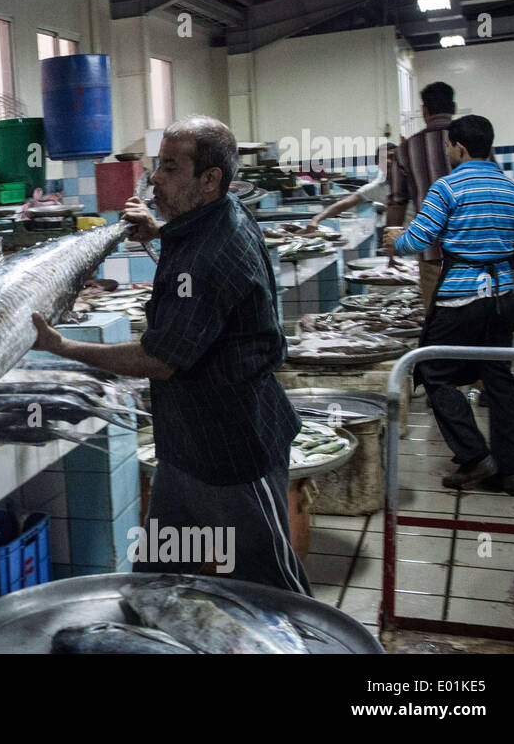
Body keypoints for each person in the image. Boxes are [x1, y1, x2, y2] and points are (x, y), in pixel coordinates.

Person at [30, 115, 309, 595]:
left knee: (273, 588)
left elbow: (159, 359)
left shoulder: (212, 253)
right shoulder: (219, 214)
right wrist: (157, 230)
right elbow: (198, 240)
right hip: (184, 447)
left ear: (209, 179)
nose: (155, 177)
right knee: (158, 579)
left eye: (171, 168)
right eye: (159, 164)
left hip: (232, 450)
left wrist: (61, 346)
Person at [384, 115, 514, 496]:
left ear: (460, 148)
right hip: (503, 298)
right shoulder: (513, 190)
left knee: (432, 372)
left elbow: (416, 241)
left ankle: (475, 456)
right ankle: (512, 470)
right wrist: (495, 262)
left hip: (459, 297)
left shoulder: (448, 188)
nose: (448, 152)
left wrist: (394, 238)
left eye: (450, 146)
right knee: (500, 380)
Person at [386, 82, 458, 301]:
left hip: (431, 251)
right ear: (453, 107)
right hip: (478, 248)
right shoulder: (473, 139)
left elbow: (397, 202)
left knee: (438, 321)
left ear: (424, 111)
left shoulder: (407, 149)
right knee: (482, 319)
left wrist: (392, 249)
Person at [303, 142, 395, 235]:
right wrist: (316, 219)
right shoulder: (377, 187)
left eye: (392, 157)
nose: (388, 161)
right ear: (377, 164)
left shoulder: (409, 179)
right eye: (382, 159)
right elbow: (345, 204)